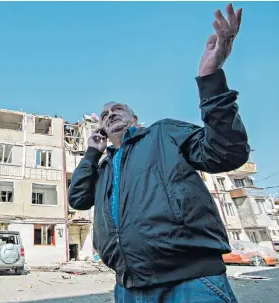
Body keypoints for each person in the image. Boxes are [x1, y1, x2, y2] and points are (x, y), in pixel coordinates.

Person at [69, 4, 247, 303]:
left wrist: (210, 79)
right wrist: (91, 153)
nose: (110, 114)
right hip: (127, 287)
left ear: (135, 117)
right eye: (104, 114)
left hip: (190, 282)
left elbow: (225, 153)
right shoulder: (103, 167)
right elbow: (78, 198)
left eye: (118, 109)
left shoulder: (163, 134)